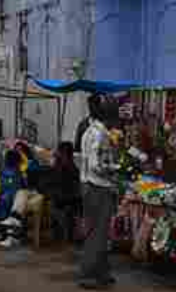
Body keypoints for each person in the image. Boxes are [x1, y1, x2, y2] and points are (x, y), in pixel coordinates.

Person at [77, 96, 119, 289]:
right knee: (98, 233)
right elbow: (96, 165)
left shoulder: (88, 131)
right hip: (98, 187)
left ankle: (102, 272)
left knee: (98, 232)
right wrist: (115, 168)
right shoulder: (100, 134)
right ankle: (89, 274)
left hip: (89, 186)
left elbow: (85, 161)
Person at [0, 149, 27, 247]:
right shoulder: (20, 173)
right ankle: (14, 236)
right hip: (14, 202)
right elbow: (24, 186)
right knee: (15, 219)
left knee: (1, 218)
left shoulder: (0, 173)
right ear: (18, 162)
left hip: (1, 200)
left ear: (5, 160)